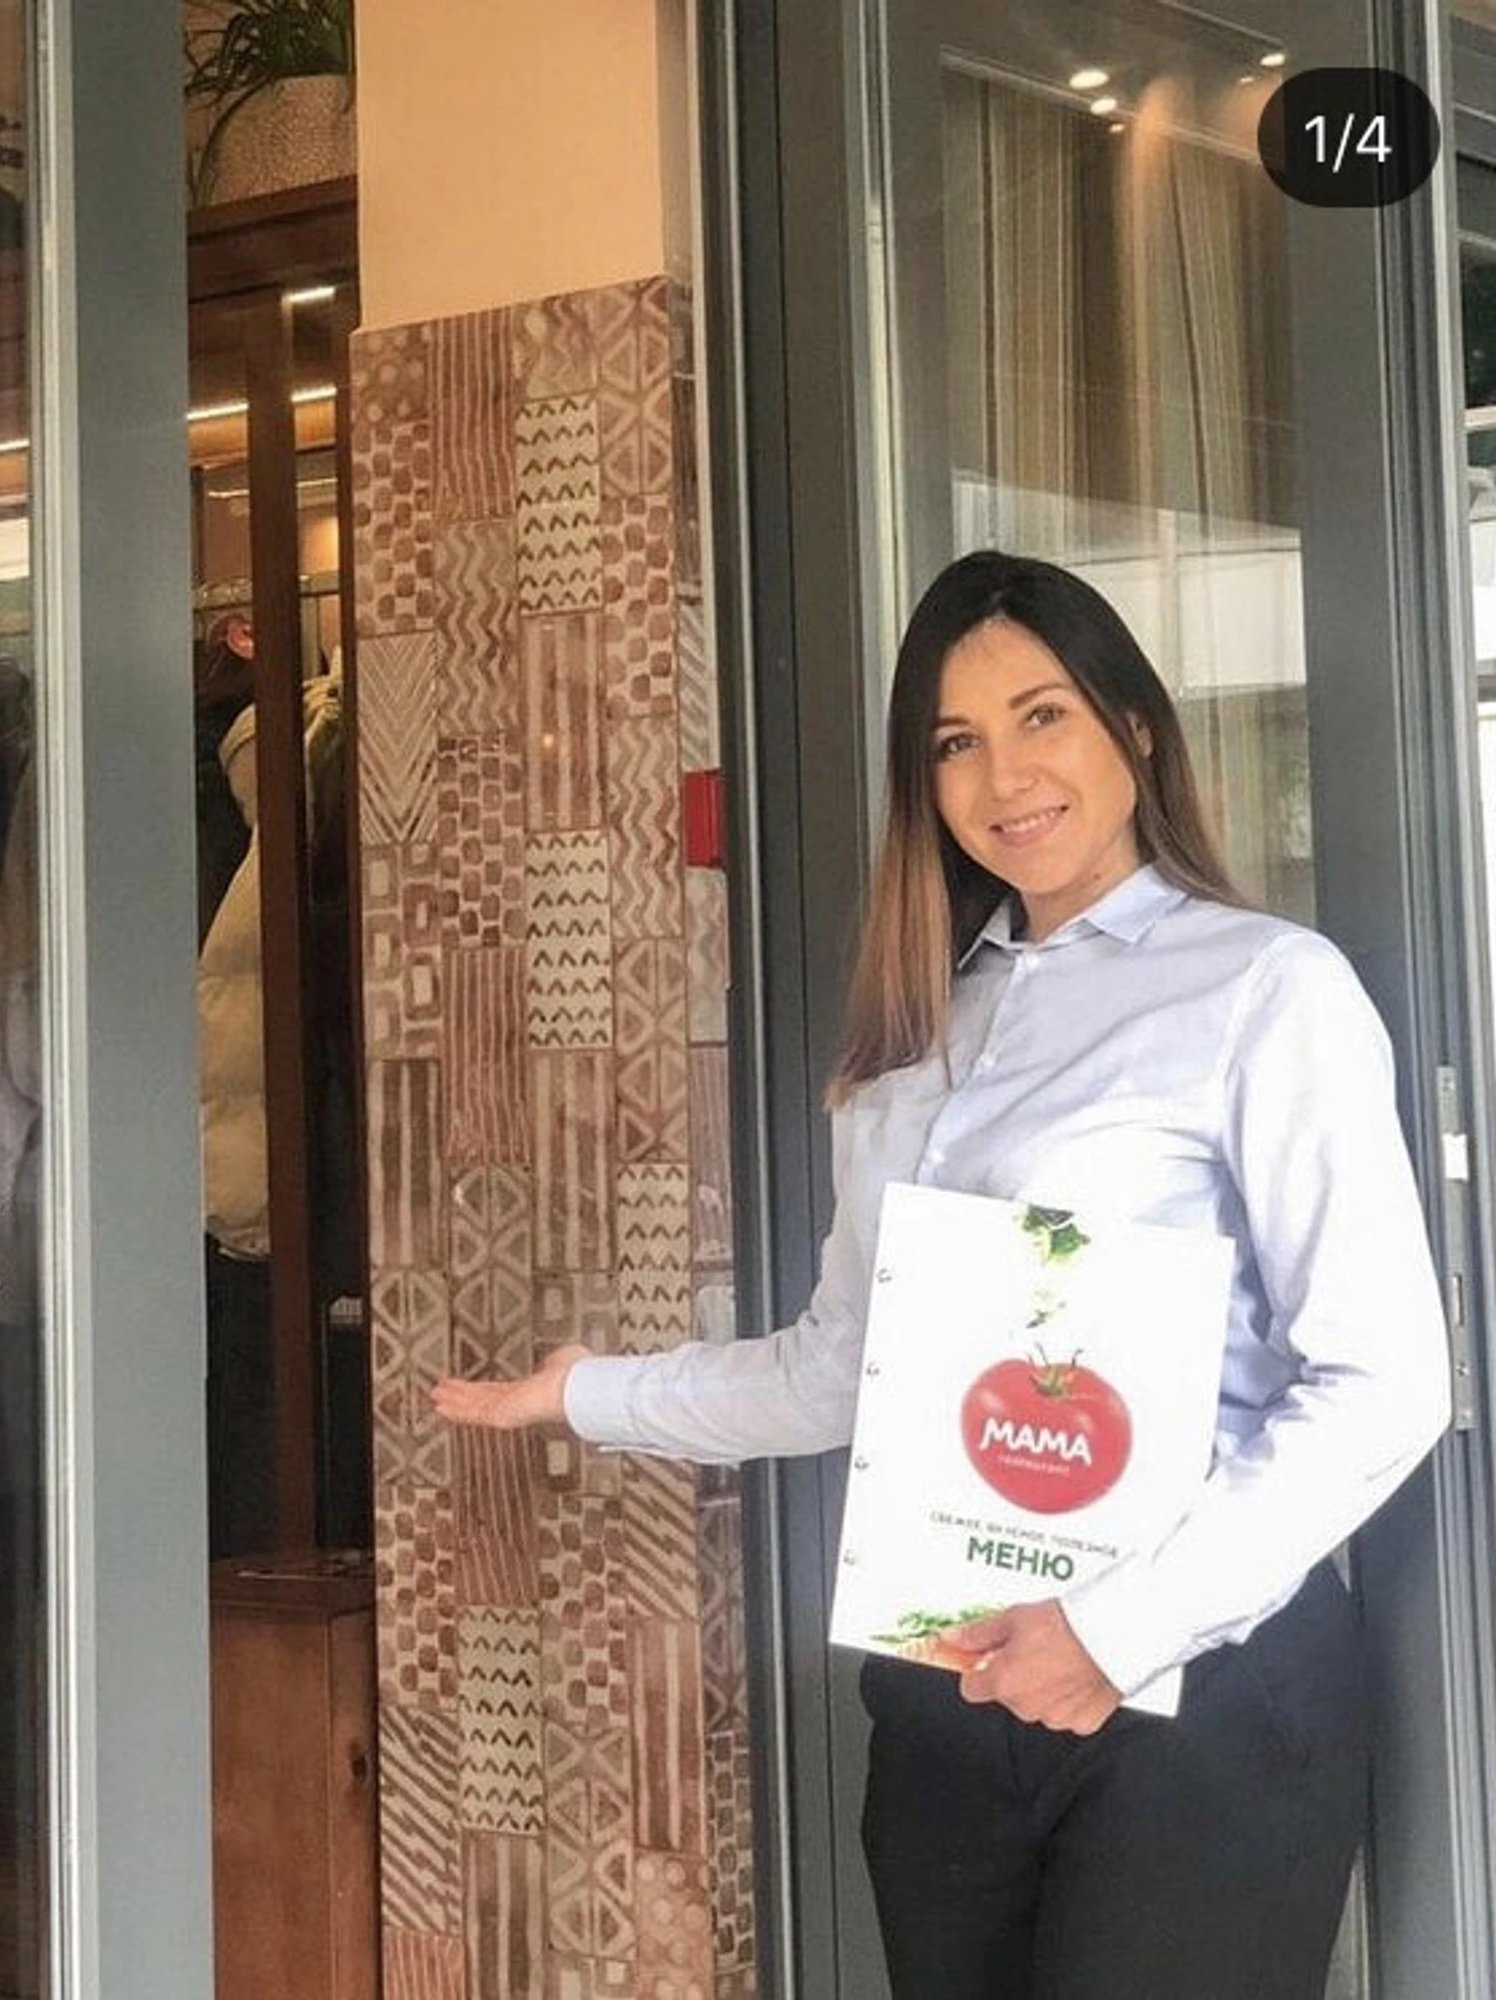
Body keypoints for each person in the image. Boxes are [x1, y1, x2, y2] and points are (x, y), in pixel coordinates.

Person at [434, 550, 1453, 2000]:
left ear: (1133, 726)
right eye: (956, 742)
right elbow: (842, 1365)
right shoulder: (917, 1030)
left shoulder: (1262, 988)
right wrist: (589, 1392)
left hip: (1197, 1696)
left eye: (1042, 716)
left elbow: (1383, 1381)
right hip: (949, 1697)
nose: (1004, 777)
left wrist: (1115, 1630)